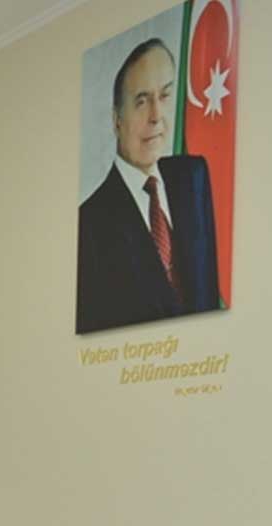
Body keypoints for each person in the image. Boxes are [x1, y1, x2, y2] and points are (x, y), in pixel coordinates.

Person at [75, 37, 222, 334]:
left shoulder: (193, 177)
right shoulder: (89, 222)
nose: (156, 116)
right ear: (117, 120)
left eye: (164, 96)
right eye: (141, 101)